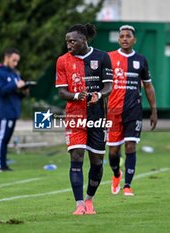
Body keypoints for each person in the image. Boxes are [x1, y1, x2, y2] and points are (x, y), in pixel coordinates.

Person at [55, 23, 113, 215]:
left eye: (72, 41)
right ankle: (79, 204)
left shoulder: (102, 57)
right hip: (74, 117)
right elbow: (62, 92)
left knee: (96, 162)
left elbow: (108, 86)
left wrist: (99, 95)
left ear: (83, 40)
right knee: (77, 156)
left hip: (97, 117)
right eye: (67, 41)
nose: (68, 44)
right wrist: (75, 96)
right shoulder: (62, 61)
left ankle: (89, 200)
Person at [107, 25, 157, 196]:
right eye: (122, 36)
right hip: (113, 111)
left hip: (134, 110)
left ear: (134, 40)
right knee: (113, 151)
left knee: (130, 146)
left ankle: (127, 185)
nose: (125, 38)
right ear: (118, 39)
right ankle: (116, 174)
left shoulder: (141, 60)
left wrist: (153, 110)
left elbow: (148, 86)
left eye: (128, 36)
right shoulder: (109, 58)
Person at [0, 48, 26, 172]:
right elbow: (0, 91)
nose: (15, 63)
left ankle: (4, 164)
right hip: (4, 112)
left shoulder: (15, 73)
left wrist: (24, 91)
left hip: (13, 111)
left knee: (7, 139)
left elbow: (15, 94)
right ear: (7, 58)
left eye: (17, 61)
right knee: (1, 138)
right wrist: (15, 85)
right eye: (14, 60)